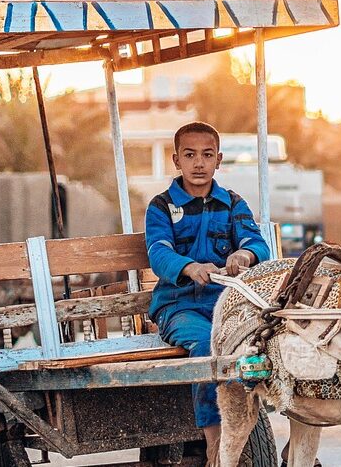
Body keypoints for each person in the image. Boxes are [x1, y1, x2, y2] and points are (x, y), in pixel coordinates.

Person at [145, 122, 271, 465]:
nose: (198, 163)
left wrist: (244, 255)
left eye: (206, 155)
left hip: (226, 305)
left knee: (269, 343)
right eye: (189, 155)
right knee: (208, 347)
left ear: (218, 160)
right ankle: (215, 443)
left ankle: (275, 417)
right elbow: (158, 252)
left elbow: (255, 242)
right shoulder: (161, 206)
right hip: (179, 307)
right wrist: (189, 267)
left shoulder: (232, 204)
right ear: (176, 160)